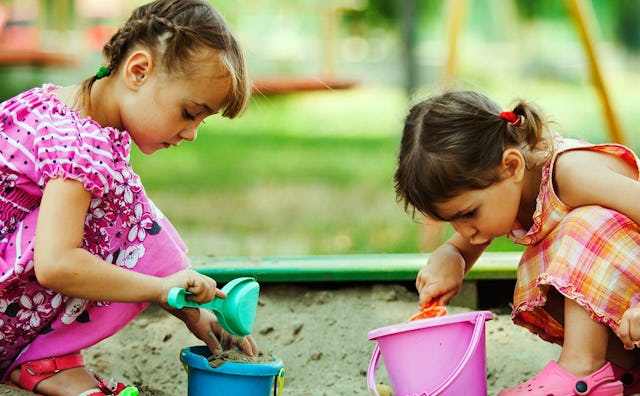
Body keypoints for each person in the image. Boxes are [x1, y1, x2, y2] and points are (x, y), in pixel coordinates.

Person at [0, 0, 259, 394]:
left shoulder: (60, 106)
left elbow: (131, 207)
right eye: (190, 113)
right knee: (113, 214)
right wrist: (159, 288)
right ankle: (41, 359)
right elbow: (56, 264)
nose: (191, 133)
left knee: (121, 199)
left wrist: (192, 311)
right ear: (139, 71)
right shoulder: (80, 147)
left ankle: (46, 358)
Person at [394, 90, 640, 395]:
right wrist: (450, 257)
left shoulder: (571, 173)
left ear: (511, 166)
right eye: (452, 221)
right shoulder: (507, 191)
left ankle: (581, 369)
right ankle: (621, 371)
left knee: (583, 228)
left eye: (469, 214)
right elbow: (461, 246)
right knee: (543, 266)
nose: (466, 231)